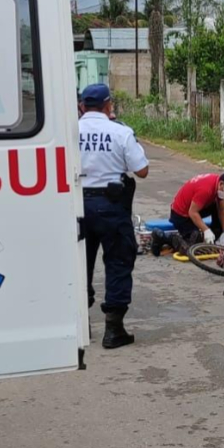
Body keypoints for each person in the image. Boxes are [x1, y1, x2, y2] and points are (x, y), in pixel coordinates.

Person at [78, 83, 149, 348]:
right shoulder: (120, 132)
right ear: (109, 106)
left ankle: (80, 325)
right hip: (112, 207)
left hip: (77, 206)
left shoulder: (70, 131)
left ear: (82, 106)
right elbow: (141, 170)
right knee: (118, 263)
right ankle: (113, 329)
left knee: (78, 265)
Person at [169, 171, 224, 248]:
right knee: (194, 241)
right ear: (221, 184)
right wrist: (206, 230)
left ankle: (216, 232)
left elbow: (222, 210)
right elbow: (192, 212)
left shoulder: (217, 184)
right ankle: (166, 238)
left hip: (192, 208)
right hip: (180, 215)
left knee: (216, 205)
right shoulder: (206, 190)